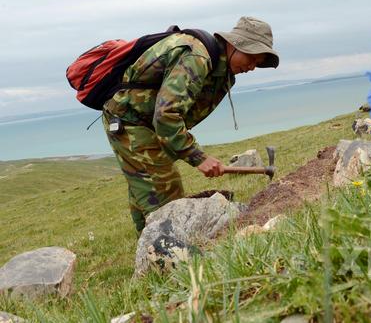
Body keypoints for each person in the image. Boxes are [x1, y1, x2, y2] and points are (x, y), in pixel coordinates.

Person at [101, 16, 279, 233]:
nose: (252, 67)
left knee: (147, 186)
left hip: (145, 124)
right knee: (166, 195)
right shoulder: (196, 57)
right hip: (130, 122)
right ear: (234, 44)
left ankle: (147, 243)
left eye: (258, 63)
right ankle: (165, 256)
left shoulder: (220, 70)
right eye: (251, 58)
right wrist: (198, 157)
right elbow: (167, 114)